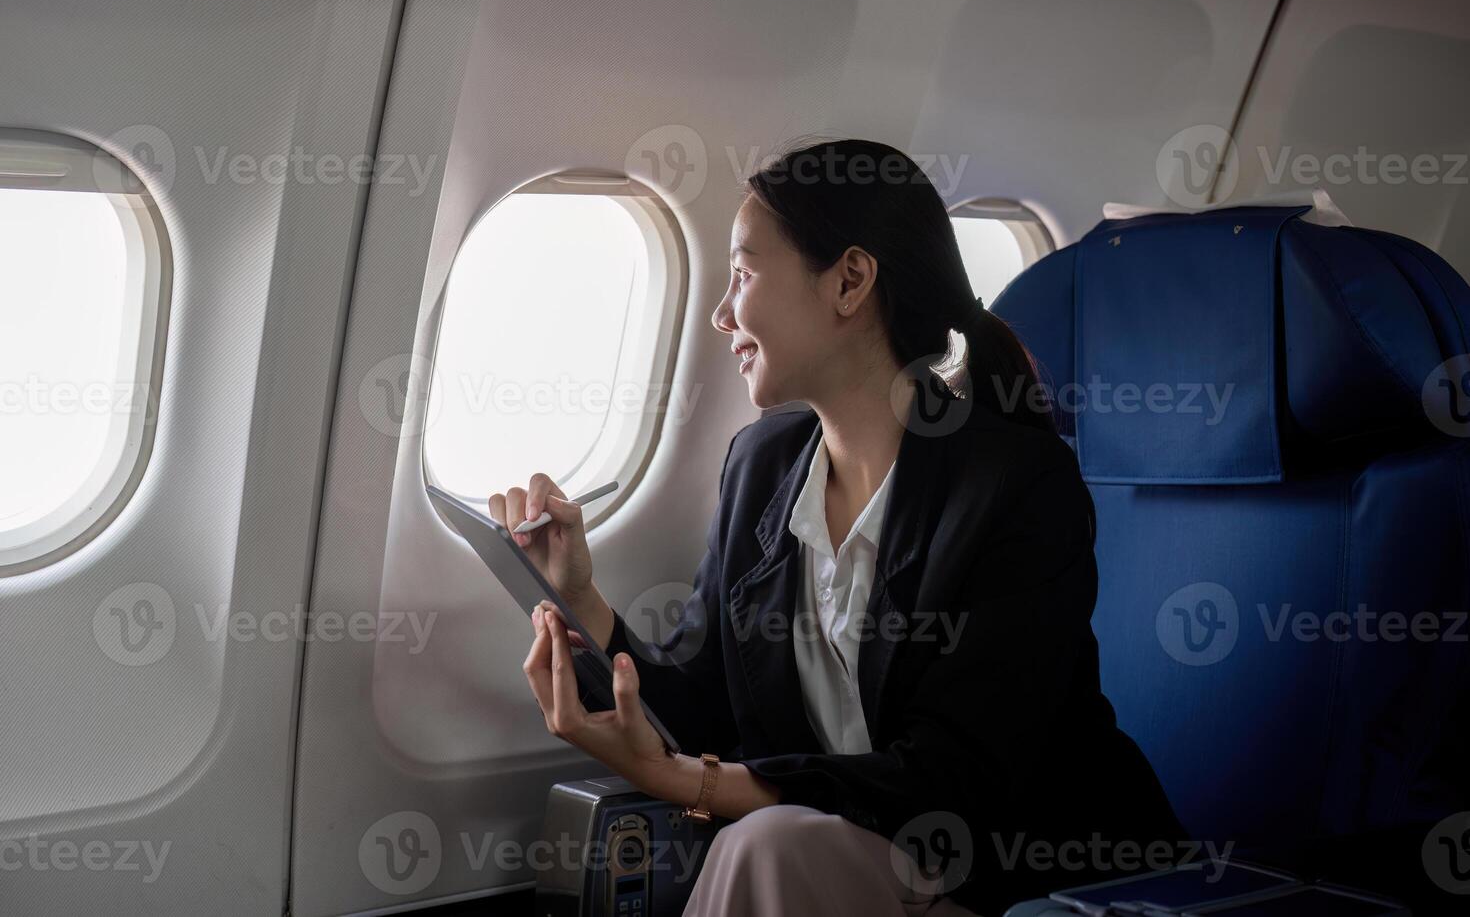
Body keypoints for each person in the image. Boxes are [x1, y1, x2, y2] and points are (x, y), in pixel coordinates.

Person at [490, 139, 1184, 915]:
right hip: (856, 867)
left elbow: (952, 781)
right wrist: (581, 602)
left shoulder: (1015, 485)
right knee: (773, 842)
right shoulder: (761, 468)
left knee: (768, 843)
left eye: (744, 274)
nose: (722, 313)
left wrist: (683, 784)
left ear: (850, 281)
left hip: (1023, 883)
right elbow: (707, 707)